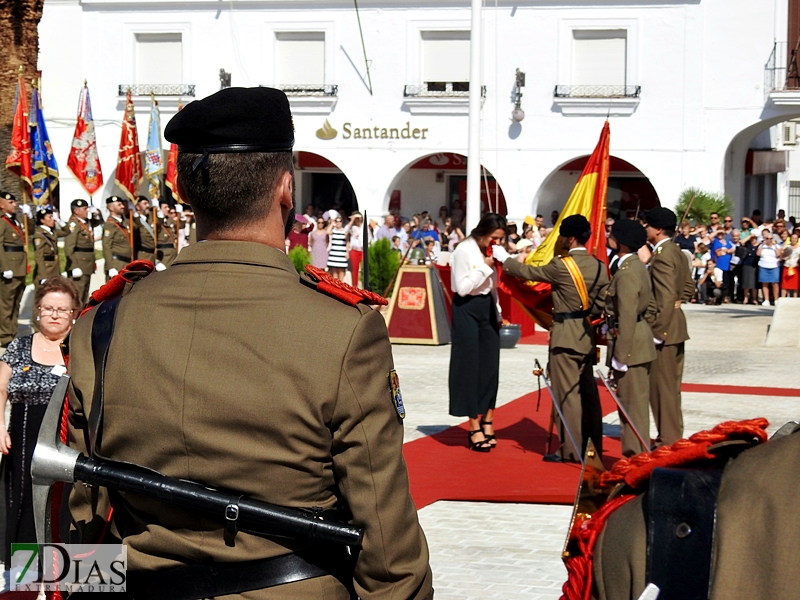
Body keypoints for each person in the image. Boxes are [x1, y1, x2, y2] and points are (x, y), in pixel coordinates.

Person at [66, 87, 433, 599]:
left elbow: (81, 510)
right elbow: (387, 545)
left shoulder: (103, 322)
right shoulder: (344, 328)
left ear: (184, 192)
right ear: (286, 189)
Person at [494, 215, 609, 463]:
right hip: (585, 336)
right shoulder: (600, 267)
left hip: (565, 336)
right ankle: (593, 446)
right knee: (589, 396)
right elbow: (600, 306)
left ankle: (571, 449)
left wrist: (506, 260)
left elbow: (529, 272)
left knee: (567, 395)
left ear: (570, 237)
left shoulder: (562, 265)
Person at [0, 276, 79, 566]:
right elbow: (0, 388)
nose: (55, 315)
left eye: (62, 309)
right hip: (23, 442)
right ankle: (28, 577)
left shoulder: (81, 348)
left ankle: (69, 578)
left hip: (68, 441)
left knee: (65, 507)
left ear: (74, 313)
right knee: (26, 505)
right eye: (48, 308)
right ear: (38, 311)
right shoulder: (20, 347)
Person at [448, 212, 507, 452]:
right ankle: (473, 424)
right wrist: (484, 268)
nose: (497, 243)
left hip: (487, 308)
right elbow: (461, 288)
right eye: (494, 237)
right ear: (483, 232)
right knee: (469, 366)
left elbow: (492, 288)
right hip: (466, 308)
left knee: (491, 365)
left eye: (501, 239)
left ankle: (489, 418)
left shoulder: (491, 251)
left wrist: (498, 311)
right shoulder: (464, 250)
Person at [643, 207, 694, 446]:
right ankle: (671, 436)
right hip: (676, 324)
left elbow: (663, 297)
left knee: (662, 389)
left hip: (665, 328)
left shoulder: (663, 255)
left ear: (658, 229)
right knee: (671, 387)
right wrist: (676, 305)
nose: (646, 229)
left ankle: (668, 439)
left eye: (648, 226)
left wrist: (656, 332)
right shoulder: (677, 252)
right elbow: (687, 288)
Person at [604, 220, 656, 457]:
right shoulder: (636, 266)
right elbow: (651, 307)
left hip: (630, 343)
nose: (609, 236)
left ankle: (636, 457)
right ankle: (638, 454)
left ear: (622, 242)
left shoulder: (627, 272)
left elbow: (625, 316)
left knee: (631, 408)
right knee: (635, 405)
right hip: (638, 339)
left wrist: (620, 355)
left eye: (612, 234)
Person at [0, 192, 30, 348]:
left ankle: (12, 332)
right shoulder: (2, 222)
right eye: (11, 202)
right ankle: (5, 336)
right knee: (6, 304)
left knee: (16, 303)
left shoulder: (17, 221)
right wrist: (4, 267)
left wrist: (28, 217)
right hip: (9, 269)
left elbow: (29, 233)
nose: (15, 204)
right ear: (1, 204)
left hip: (20, 268)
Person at [64, 198, 102, 306]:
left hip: (87, 265)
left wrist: (97, 213)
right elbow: (69, 247)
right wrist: (74, 266)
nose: (87, 211)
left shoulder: (86, 222)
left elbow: (99, 222)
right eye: (85, 209)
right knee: (77, 295)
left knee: (84, 294)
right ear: (76, 211)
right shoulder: (73, 224)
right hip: (79, 264)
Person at [31, 206, 66, 289]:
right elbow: (39, 256)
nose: (53, 219)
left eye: (53, 217)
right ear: (42, 220)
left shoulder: (52, 232)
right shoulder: (40, 235)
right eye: (50, 217)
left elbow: (67, 231)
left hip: (54, 268)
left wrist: (59, 220)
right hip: (46, 269)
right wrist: (43, 276)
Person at [102, 195, 134, 280]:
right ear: (111, 208)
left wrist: (134, 212)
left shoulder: (125, 222)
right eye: (119, 205)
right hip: (117, 264)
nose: (123, 206)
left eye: (122, 204)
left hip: (127, 263)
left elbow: (138, 227)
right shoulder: (110, 224)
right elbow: (106, 246)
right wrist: (111, 267)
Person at [757, 230, 780, 305]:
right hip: (763, 265)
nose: (769, 240)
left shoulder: (776, 246)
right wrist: (763, 245)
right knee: (765, 283)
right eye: (767, 238)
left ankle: (776, 299)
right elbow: (758, 254)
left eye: (770, 238)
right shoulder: (761, 246)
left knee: (775, 284)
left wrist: (775, 245)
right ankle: (766, 299)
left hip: (774, 266)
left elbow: (778, 255)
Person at [711, 229, 735, 303]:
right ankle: (718, 297)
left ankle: (725, 297)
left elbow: (732, 249)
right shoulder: (715, 241)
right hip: (719, 264)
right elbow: (710, 237)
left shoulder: (727, 241)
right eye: (719, 233)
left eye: (722, 233)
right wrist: (718, 231)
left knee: (727, 282)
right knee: (719, 282)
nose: (720, 235)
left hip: (727, 265)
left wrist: (727, 251)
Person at [134, 195, 157, 262]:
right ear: (138, 207)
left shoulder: (150, 219)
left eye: (148, 203)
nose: (148, 205)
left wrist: (157, 209)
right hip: (143, 255)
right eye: (145, 204)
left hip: (153, 255)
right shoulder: (135, 220)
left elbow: (159, 224)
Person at [327, 214, 349, 281]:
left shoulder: (344, 231)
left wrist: (347, 252)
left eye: (340, 221)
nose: (338, 223)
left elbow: (347, 242)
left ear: (342, 222)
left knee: (341, 273)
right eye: (337, 221)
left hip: (342, 254)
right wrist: (332, 223)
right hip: (334, 254)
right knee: (334, 275)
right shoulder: (333, 231)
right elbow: (327, 232)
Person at [740, 232, 760, 305]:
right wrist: (750, 235)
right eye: (752, 238)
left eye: (754, 238)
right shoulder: (747, 244)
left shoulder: (759, 244)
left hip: (755, 265)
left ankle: (754, 298)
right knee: (746, 282)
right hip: (746, 264)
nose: (753, 239)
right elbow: (741, 242)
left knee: (754, 283)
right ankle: (745, 298)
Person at [346, 212, 365, 287]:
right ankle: (355, 285)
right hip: (354, 249)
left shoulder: (364, 227)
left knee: (363, 268)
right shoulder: (352, 227)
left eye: (359, 218)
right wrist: (352, 220)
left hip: (362, 249)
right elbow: (345, 230)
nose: (357, 220)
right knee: (355, 268)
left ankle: (363, 284)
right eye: (356, 219)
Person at [780, 232, 800, 297]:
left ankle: (795, 300)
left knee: (795, 286)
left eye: (795, 238)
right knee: (784, 285)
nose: (794, 239)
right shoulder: (787, 247)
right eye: (792, 238)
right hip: (787, 267)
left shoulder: (799, 248)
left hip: (795, 268)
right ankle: (783, 299)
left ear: (797, 239)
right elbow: (782, 256)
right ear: (790, 239)